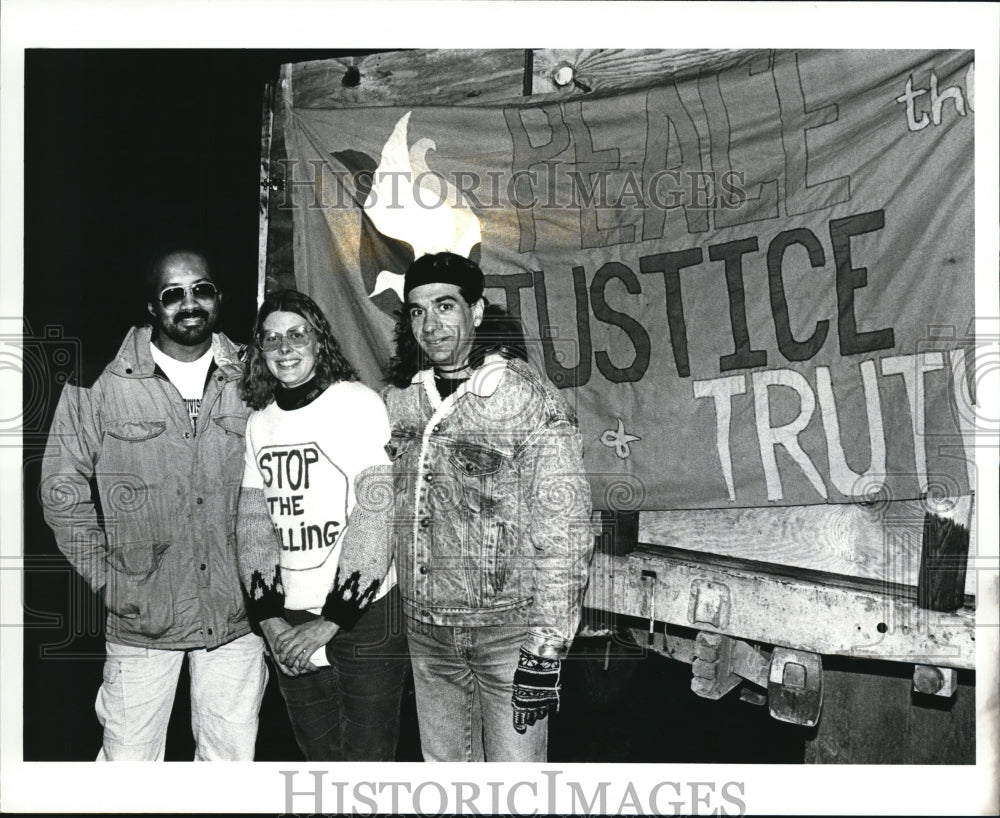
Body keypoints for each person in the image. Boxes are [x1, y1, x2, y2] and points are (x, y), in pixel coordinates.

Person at [40, 249, 268, 761]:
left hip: (236, 614)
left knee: (230, 765)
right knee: (129, 767)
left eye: (201, 290)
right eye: (173, 294)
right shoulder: (98, 380)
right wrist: (105, 579)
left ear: (219, 297)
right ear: (151, 307)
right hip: (143, 614)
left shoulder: (254, 376)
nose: (189, 304)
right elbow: (61, 490)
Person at [368, 250, 596, 761]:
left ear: (477, 310)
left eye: (446, 306)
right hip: (427, 631)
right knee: (446, 783)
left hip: (506, 633)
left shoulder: (520, 399)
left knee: (515, 790)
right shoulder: (403, 401)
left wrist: (546, 646)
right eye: (418, 311)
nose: (431, 324)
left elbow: (565, 527)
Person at [236, 289, 407, 761]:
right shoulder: (259, 422)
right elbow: (253, 524)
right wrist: (269, 618)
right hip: (290, 620)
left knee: (366, 770)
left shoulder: (357, 402)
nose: (285, 348)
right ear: (260, 352)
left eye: (296, 335)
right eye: (271, 340)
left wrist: (332, 621)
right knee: (320, 763)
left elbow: (375, 513)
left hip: (364, 620)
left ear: (319, 341)